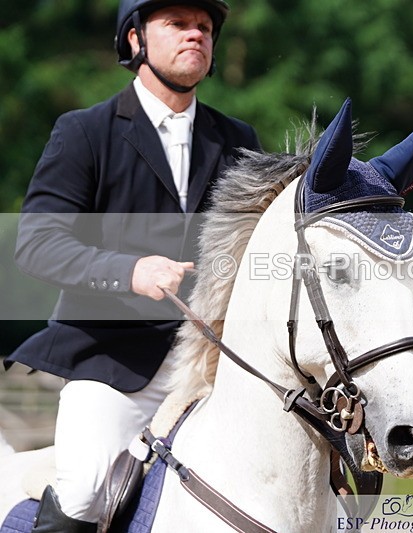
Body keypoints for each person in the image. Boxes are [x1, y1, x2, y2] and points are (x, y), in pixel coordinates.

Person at [3, 1, 261, 530]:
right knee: (84, 490)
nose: (196, 35)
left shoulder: (239, 141)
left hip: (212, 368)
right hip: (114, 362)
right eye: (178, 24)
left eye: (205, 27)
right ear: (135, 40)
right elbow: (37, 243)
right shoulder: (85, 131)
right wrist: (129, 271)